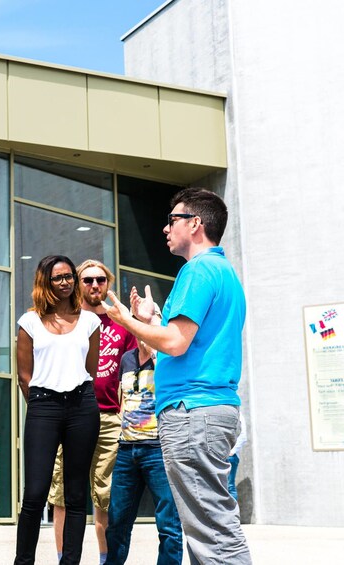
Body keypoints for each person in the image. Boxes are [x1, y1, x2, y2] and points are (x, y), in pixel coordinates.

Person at [102, 187, 252, 564]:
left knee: (212, 532)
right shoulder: (224, 272)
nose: (166, 228)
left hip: (192, 413)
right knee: (213, 526)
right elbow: (187, 339)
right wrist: (152, 319)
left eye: (173, 220)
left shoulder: (197, 270)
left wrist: (126, 321)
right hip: (209, 410)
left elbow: (175, 343)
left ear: (196, 224)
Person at [47, 260, 137, 564]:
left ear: (108, 283)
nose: (94, 285)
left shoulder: (122, 325)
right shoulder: (67, 321)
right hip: (69, 413)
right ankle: (64, 559)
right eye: (87, 280)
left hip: (110, 417)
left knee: (106, 497)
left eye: (101, 280)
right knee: (62, 495)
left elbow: (135, 372)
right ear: (78, 284)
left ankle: (105, 559)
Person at [14, 255, 101, 565]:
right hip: (43, 407)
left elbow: (89, 369)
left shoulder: (91, 321)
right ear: (45, 283)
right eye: (57, 277)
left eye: (68, 277)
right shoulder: (29, 321)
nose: (65, 282)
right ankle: (23, 561)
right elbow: (24, 376)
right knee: (35, 493)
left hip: (82, 407)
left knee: (76, 494)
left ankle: (70, 561)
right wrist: (41, 404)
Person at [104, 340, 182, 565]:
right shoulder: (127, 359)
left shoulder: (166, 358)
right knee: (117, 520)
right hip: (127, 448)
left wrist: (154, 353)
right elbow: (122, 399)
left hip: (157, 447)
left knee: (168, 523)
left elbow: (170, 386)